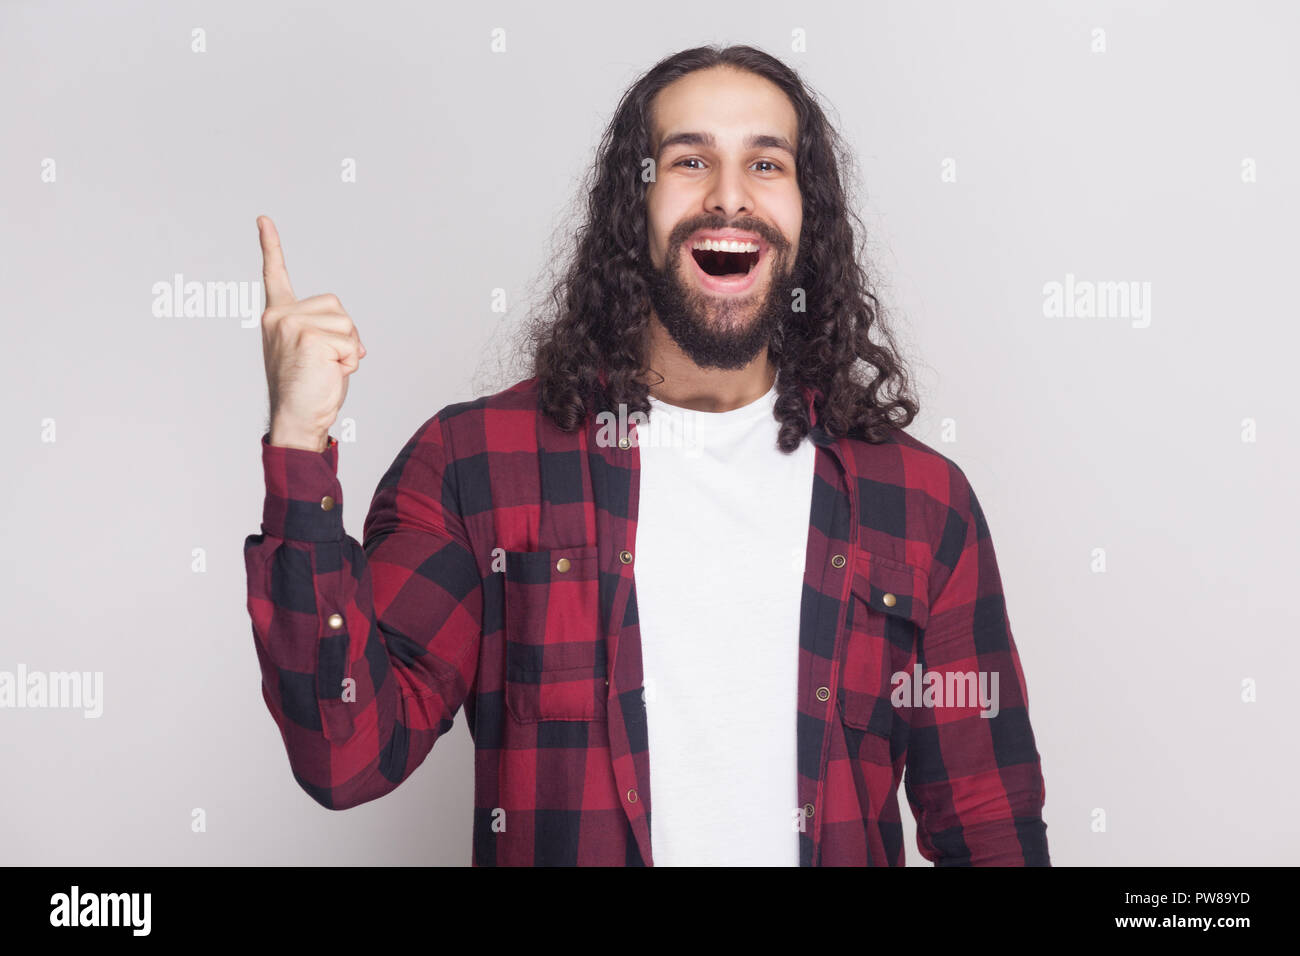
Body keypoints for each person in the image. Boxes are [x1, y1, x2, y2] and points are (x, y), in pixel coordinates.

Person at [244, 44, 1049, 867]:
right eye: (689, 160)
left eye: (766, 164)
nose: (729, 196)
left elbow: (989, 823)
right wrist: (300, 445)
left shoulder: (920, 500)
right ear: (635, 205)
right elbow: (345, 754)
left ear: (810, 215)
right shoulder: (476, 462)